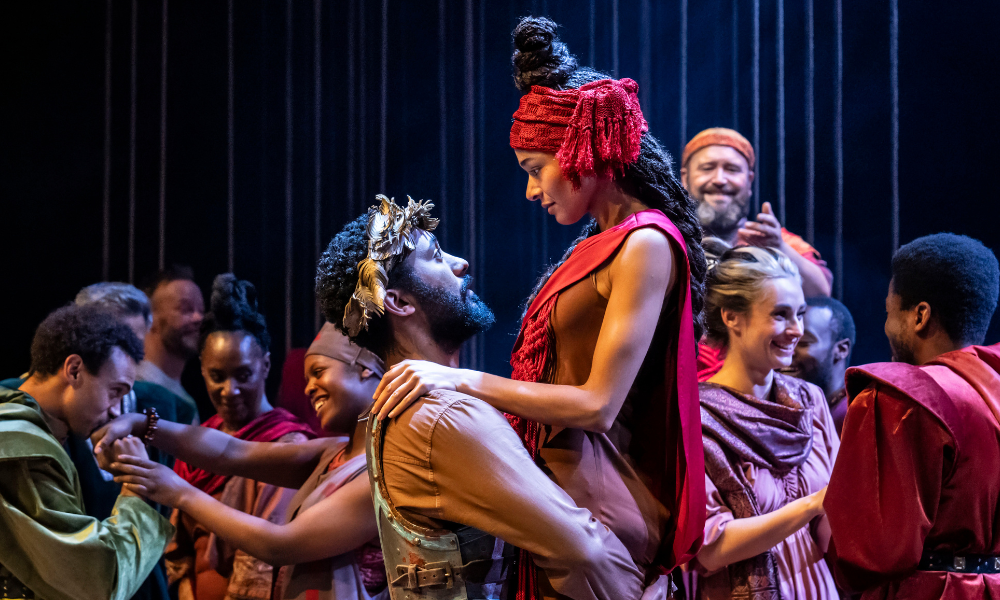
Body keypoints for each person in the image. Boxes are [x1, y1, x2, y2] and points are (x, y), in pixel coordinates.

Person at [372, 17, 707, 597]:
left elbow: (598, 405)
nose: (531, 190)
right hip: (564, 496)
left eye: (535, 169)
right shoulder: (600, 244)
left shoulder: (646, 242)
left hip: (600, 509)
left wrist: (460, 380)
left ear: (582, 150)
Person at [312, 197, 645, 600]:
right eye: (437, 256)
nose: (461, 263)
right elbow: (586, 552)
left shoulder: (412, 409)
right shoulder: (442, 414)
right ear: (399, 302)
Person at [100, 321, 390, 600]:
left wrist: (179, 493)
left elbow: (280, 545)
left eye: (319, 372)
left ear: (365, 370)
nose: (308, 388)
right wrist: (141, 424)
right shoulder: (333, 452)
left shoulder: (381, 473)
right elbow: (231, 452)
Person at [823, 233, 1000, 600]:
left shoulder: (904, 398)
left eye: (889, 313)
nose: (886, 328)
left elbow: (869, 553)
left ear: (920, 316)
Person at [692, 240, 839, 600]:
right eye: (780, 315)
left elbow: (833, 522)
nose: (796, 329)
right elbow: (711, 548)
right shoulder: (698, 416)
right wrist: (812, 504)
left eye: (800, 314)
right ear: (732, 317)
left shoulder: (810, 401)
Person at [0, 305, 173, 600]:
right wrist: (135, 484)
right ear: (74, 370)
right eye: (115, 392)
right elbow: (96, 581)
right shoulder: (21, 448)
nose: (117, 411)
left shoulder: (24, 428)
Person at [162, 274, 315, 600]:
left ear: (265, 366)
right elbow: (177, 545)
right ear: (202, 370)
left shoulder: (286, 444)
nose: (229, 390)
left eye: (243, 375)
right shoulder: (198, 440)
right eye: (217, 376)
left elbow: (263, 560)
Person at [680, 128, 832, 381]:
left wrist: (778, 246)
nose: (719, 179)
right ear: (685, 178)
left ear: (750, 180)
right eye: (707, 168)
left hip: (756, 386)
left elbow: (821, 294)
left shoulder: (776, 241)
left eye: (732, 169)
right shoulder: (665, 239)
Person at [780, 296, 856, 435]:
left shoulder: (854, 415)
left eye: (803, 343)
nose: (788, 351)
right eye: (783, 342)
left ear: (841, 349)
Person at [139, 265, 205, 423]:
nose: (198, 318)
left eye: (201, 310)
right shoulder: (134, 387)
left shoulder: (184, 400)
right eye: (186, 309)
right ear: (150, 317)